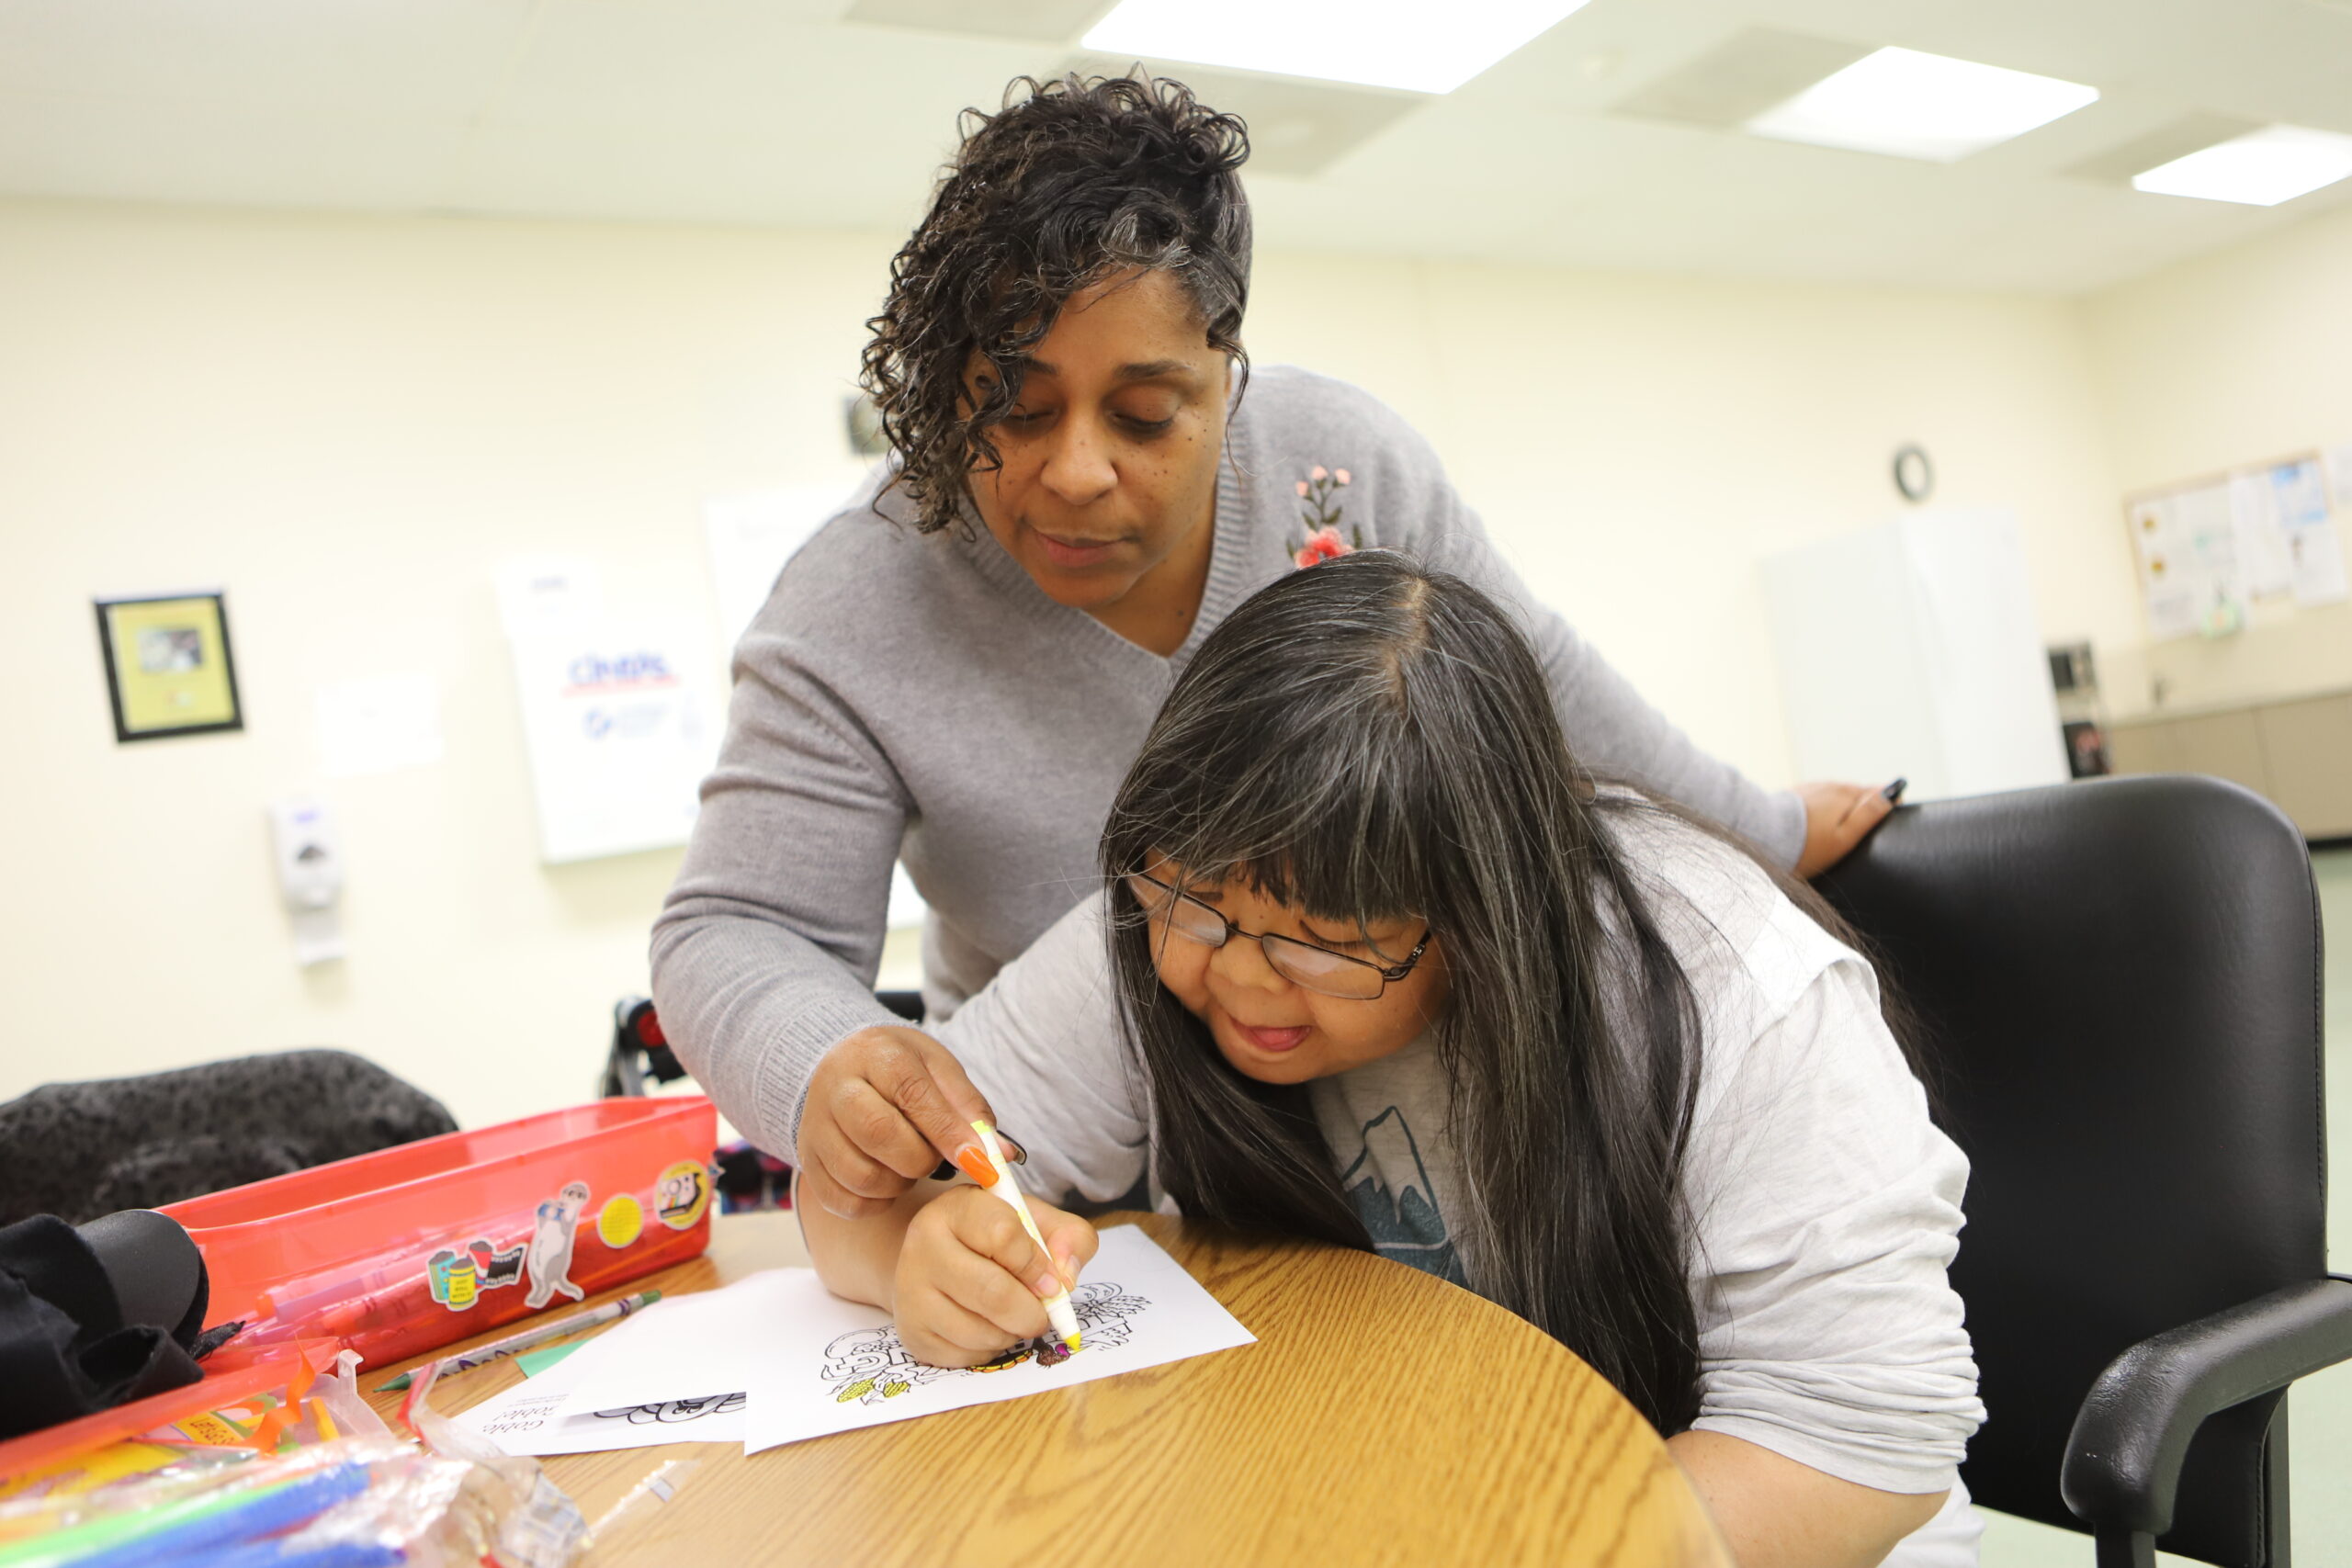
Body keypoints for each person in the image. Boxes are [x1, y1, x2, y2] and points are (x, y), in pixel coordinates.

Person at [651, 72, 1894, 1224]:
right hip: (1083, 1148)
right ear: (939, 390)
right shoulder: (851, 602)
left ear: (1227, 371)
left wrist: (1763, 831)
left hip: (1385, 1106)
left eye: (1145, 414)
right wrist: (837, 1067)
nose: (1077, 471)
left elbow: (1542, 692)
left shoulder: (1339, 466)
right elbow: (733, 930)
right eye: (1012, 410)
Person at [797, 554, 1983, 1568]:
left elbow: (1861, 1447)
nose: (1243, 980)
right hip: (1373, 1503)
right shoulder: (1169, 912)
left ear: (1488, 913)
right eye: (1195, 904)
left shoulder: (1732, 991)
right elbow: (847, 1206)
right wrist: (915, 1247)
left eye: (1329, 948)